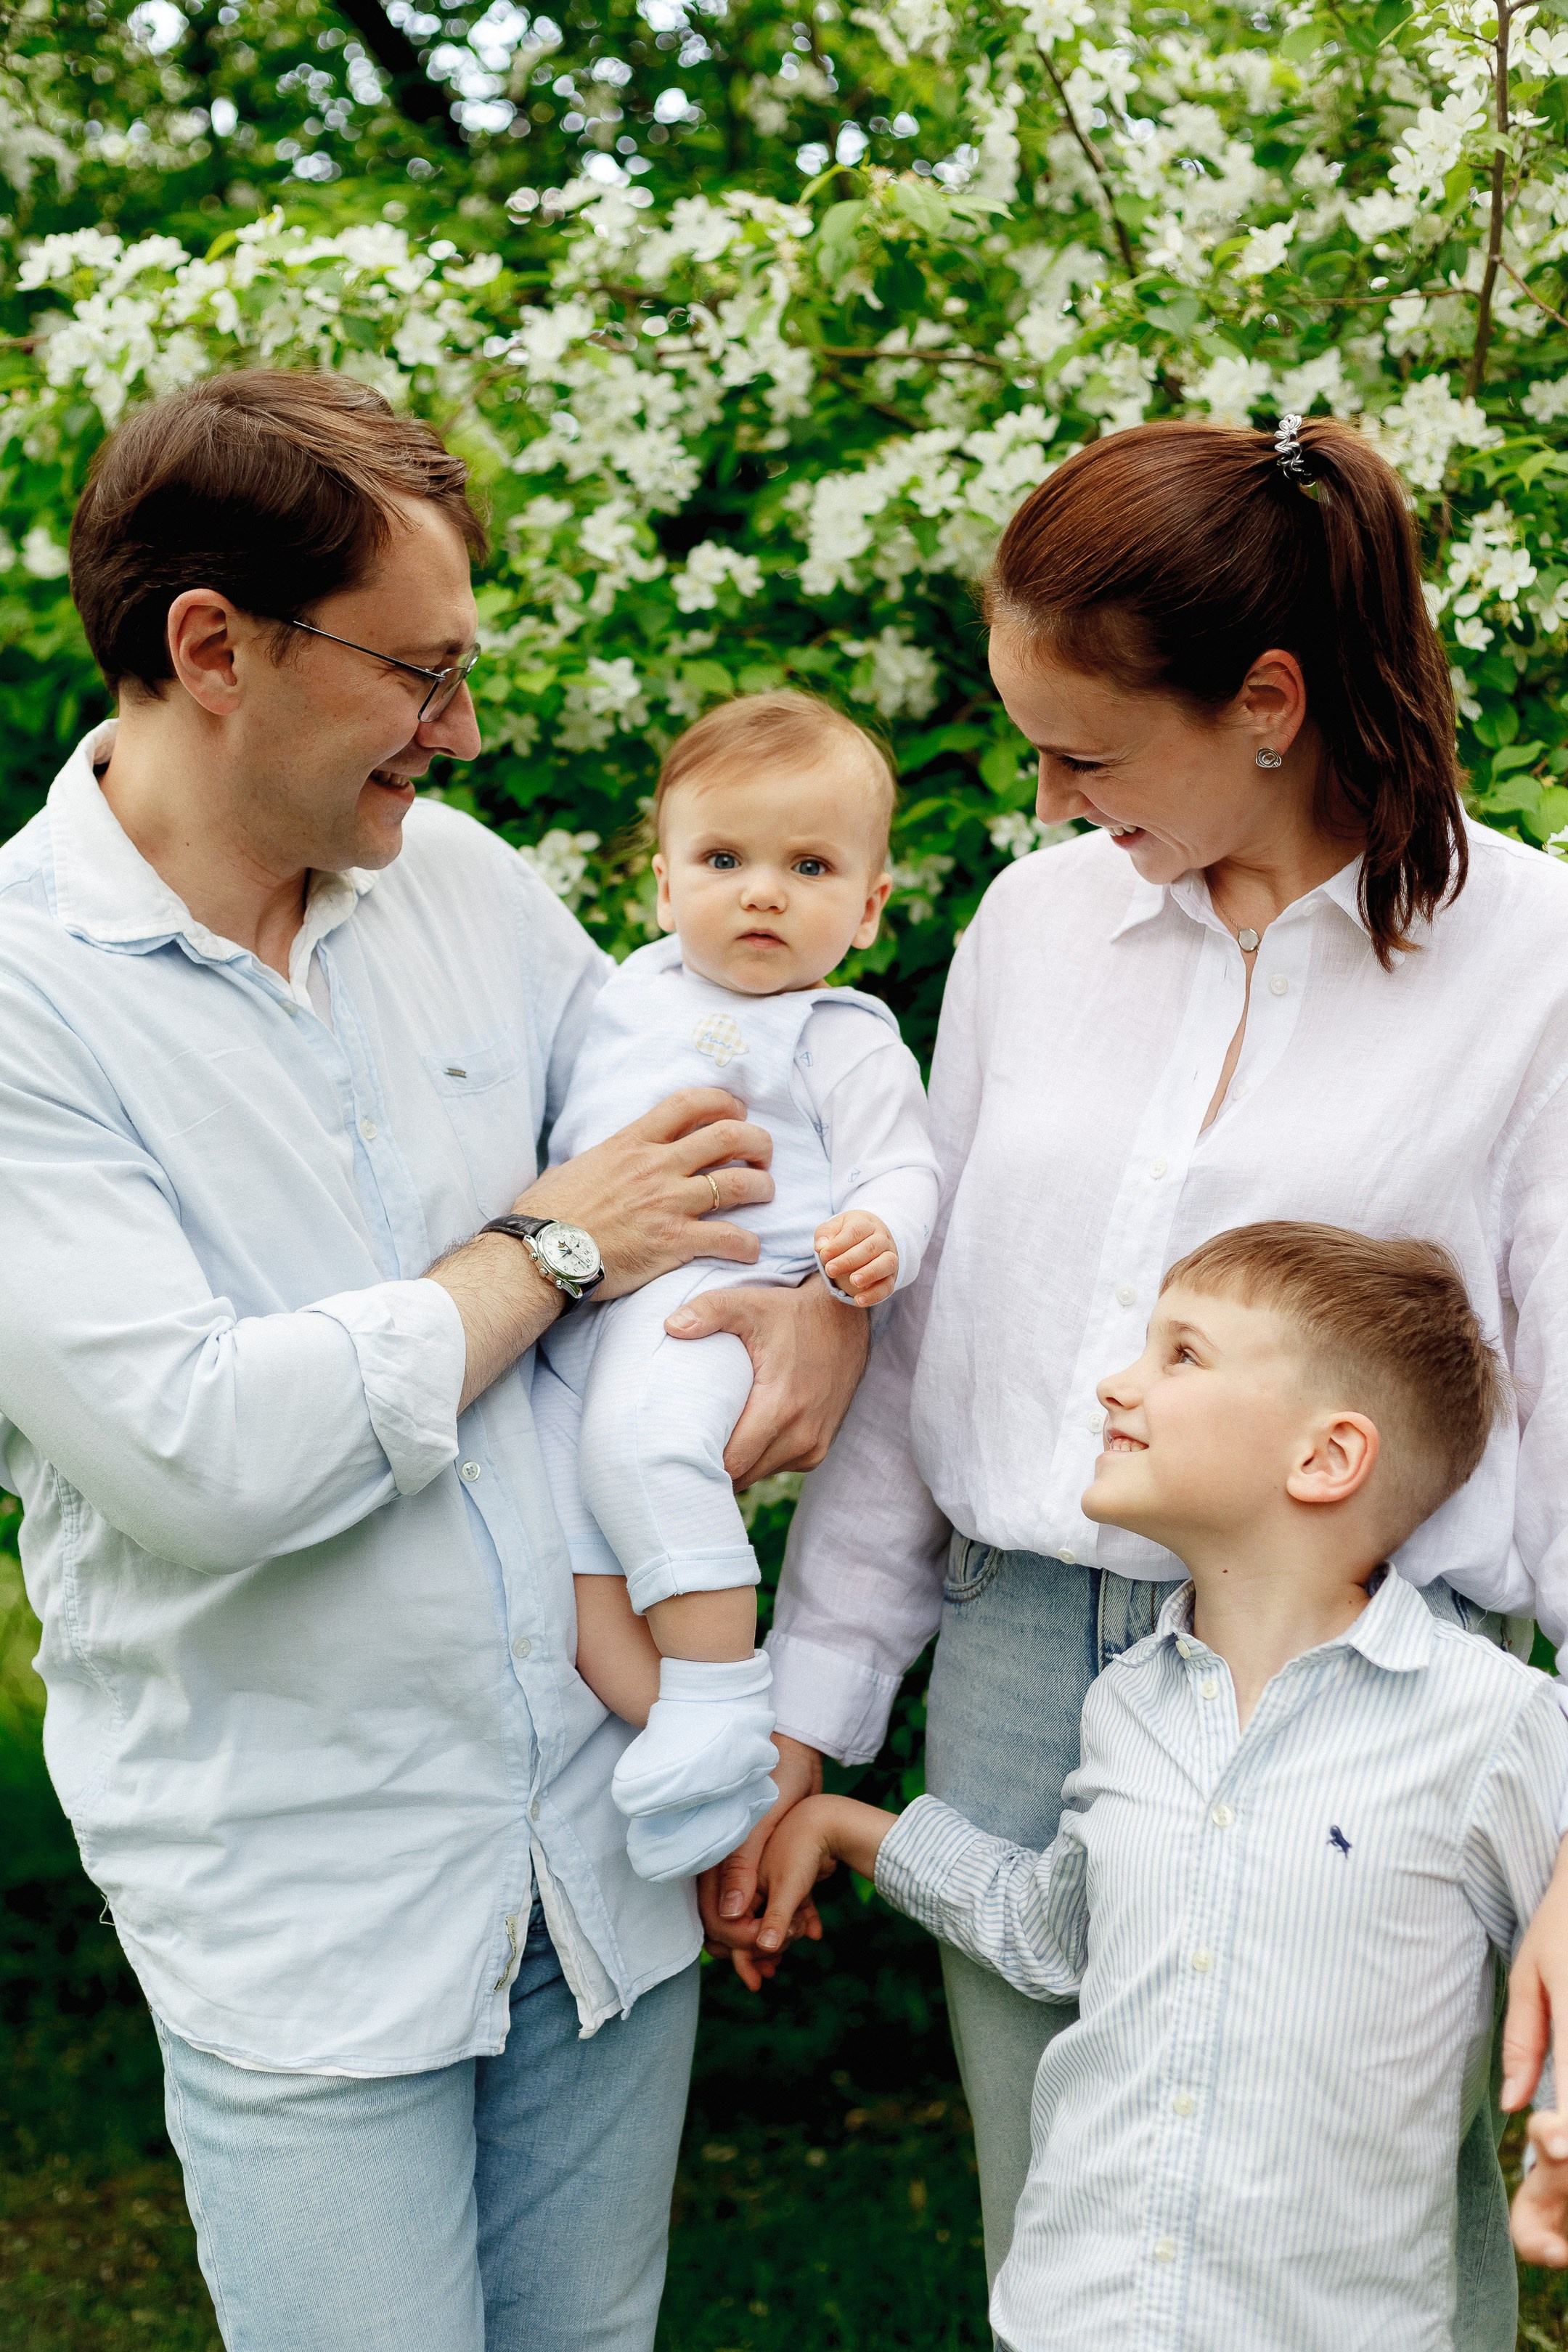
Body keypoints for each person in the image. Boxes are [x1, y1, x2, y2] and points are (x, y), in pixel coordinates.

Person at [0, 368, 867, 2352]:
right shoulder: (21, 1002)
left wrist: (815, 1286)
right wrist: (550, 1251)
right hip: (309, 1903)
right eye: (419, 673)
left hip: (599, 1858)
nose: (460, 729)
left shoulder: (464, 883)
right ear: (212, 650)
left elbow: (704, 1143)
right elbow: (206, 1455)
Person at [699, 413, 1568, 2350]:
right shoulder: (1039, 926)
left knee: (1350, 2251)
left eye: (1085, 749)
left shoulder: (1530, 957)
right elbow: (932, 1344)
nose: (1047, 790)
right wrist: (813, 1723)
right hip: (1019, 1677)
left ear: (1267, 701)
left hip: (1367, 1695)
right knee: (1080, 2240)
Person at [755, 1222, 1568, 2350]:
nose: (1114, 1383)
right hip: (1076, 2322)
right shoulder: (1128, 1707)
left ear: (1327, 1458)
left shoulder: (1492, 1726)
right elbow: (1057, 1928)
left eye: (1181, 1355)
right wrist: (847, 1826)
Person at [533, 692, 939, 1885]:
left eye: (808, 866)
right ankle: (701, 1774)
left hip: (725, 1289)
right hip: (578, 1314)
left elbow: (906, 1166)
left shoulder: (842, 1033)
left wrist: (876, 1237)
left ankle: (720, 1692)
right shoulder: (624, 996)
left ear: (867, 908)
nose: (762, 891)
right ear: (663, 890)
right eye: (722, 859)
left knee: (648, 1451)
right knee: (566, 1555)